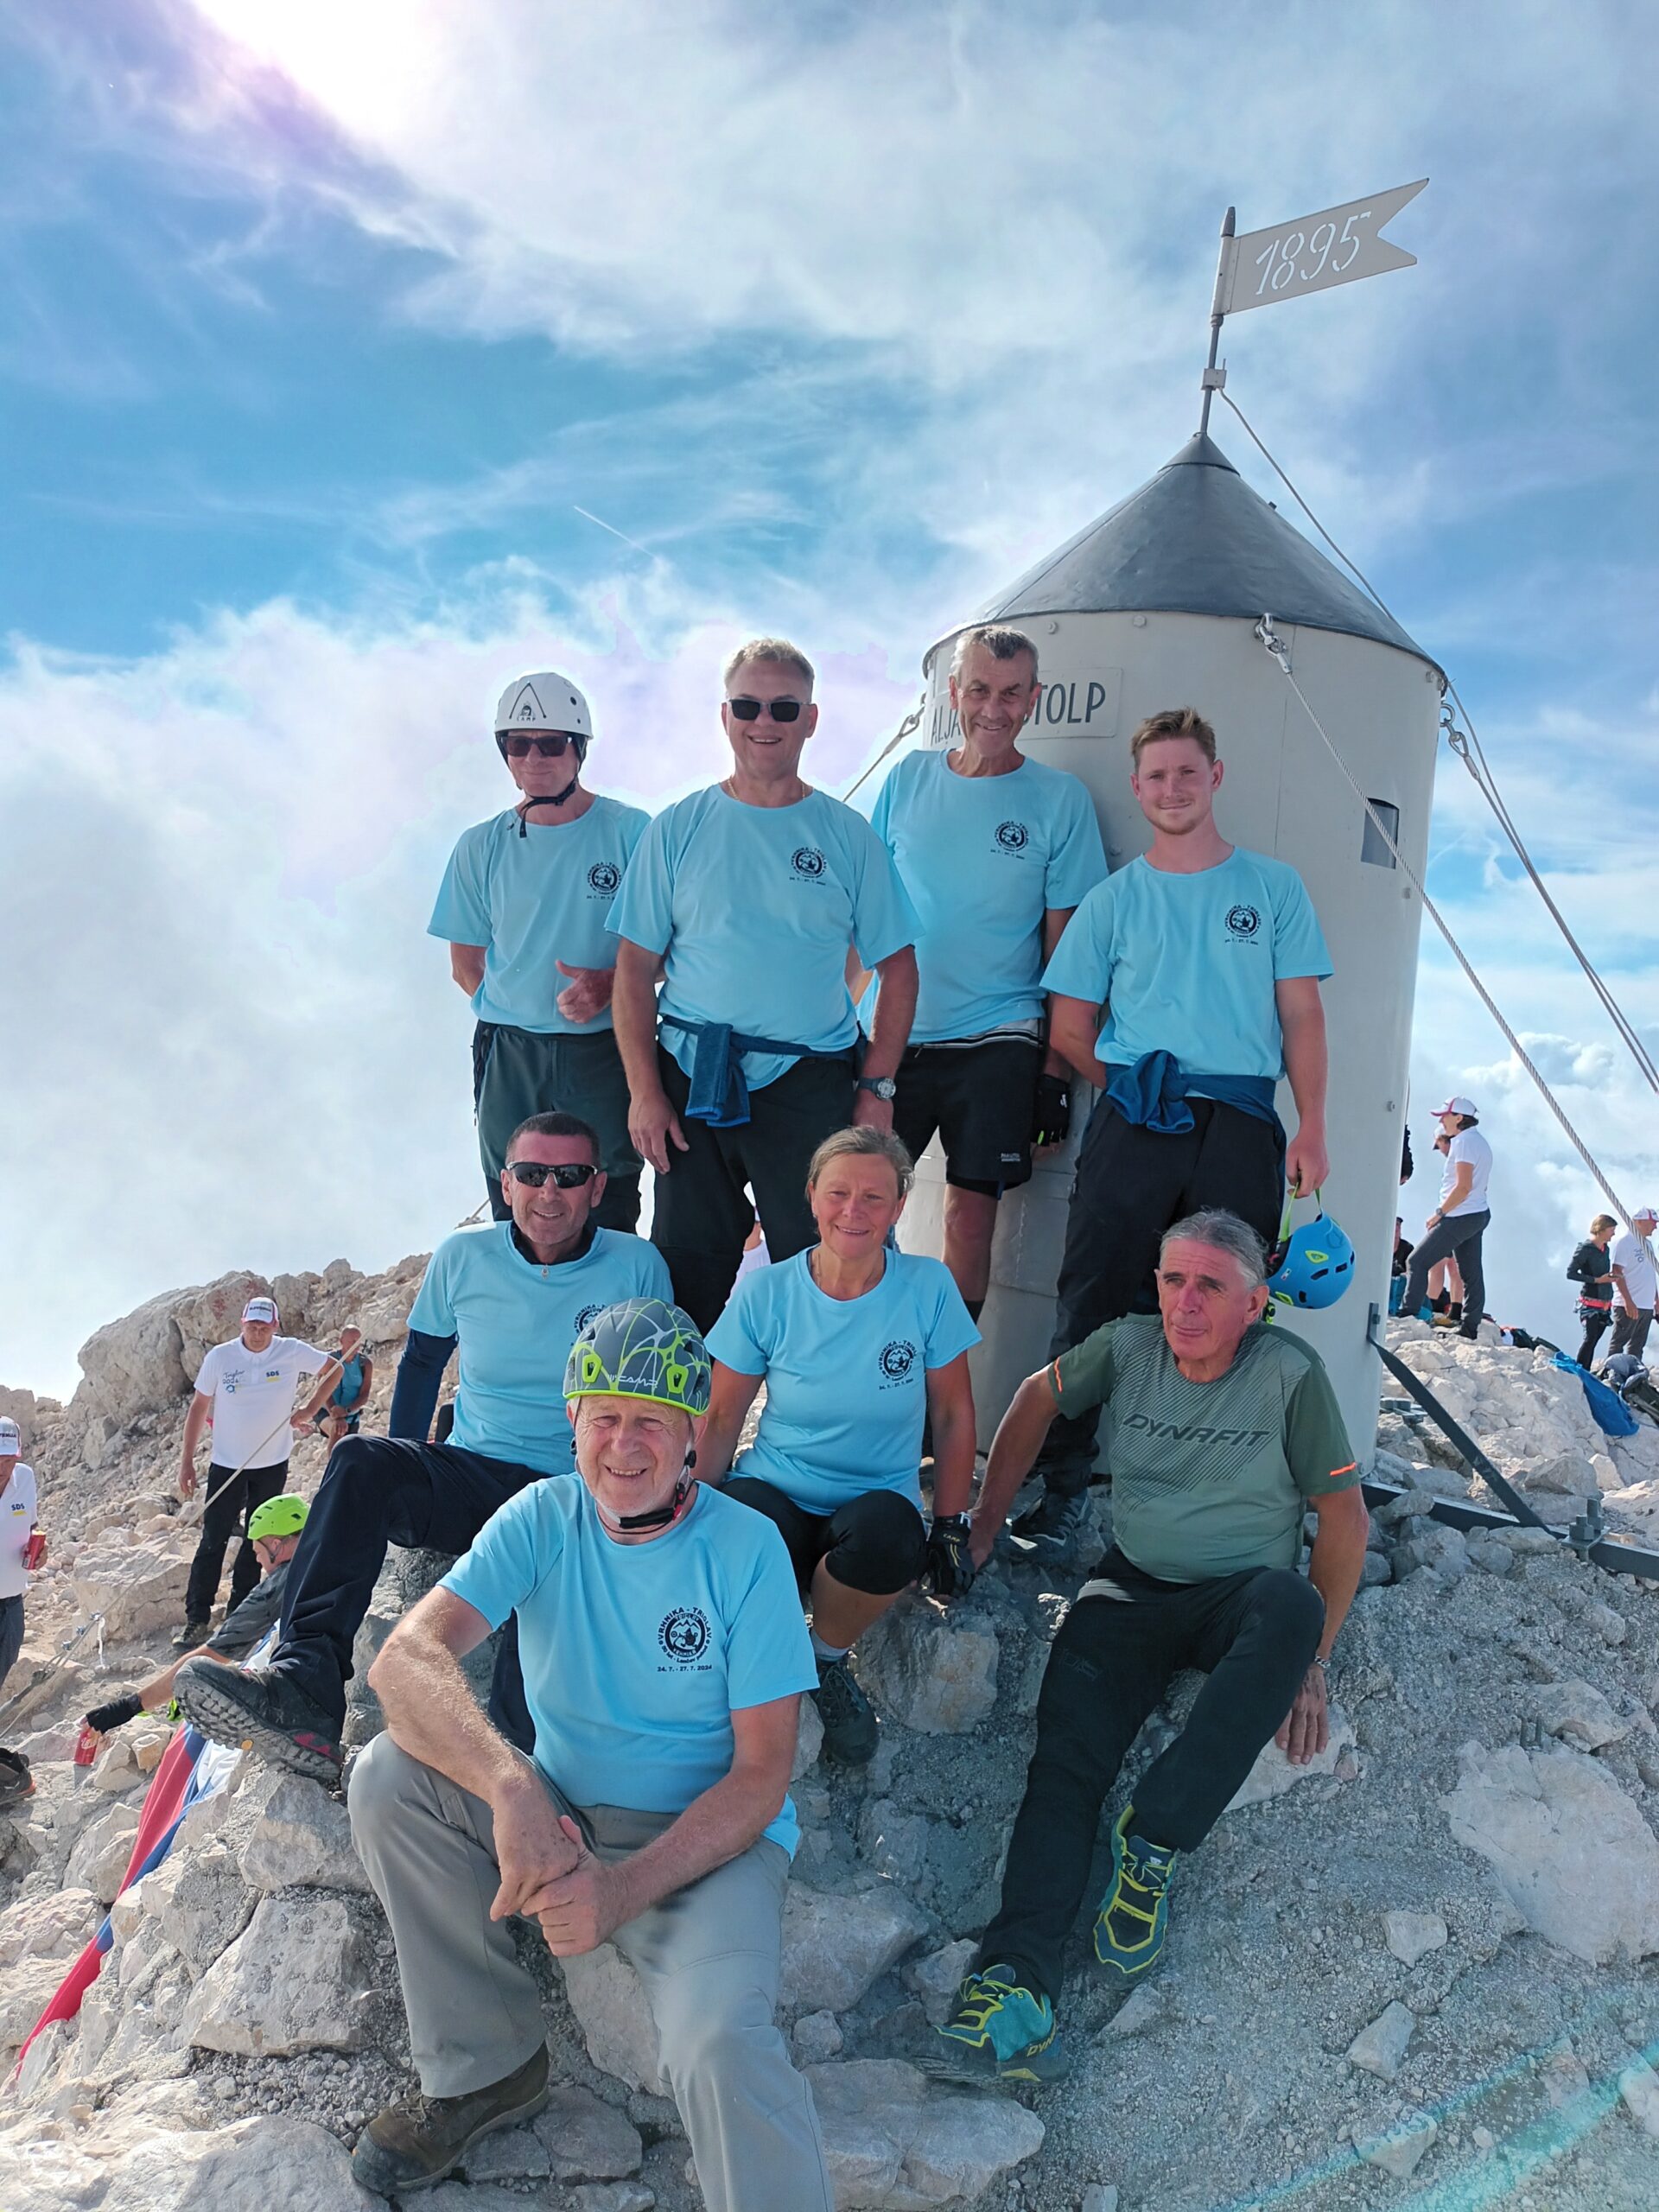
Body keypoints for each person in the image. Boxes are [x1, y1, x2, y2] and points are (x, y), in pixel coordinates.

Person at [345, 1298, 832, 2211]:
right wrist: (511, 1787)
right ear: (572, 1422)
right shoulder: (543, 1515)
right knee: (386, 1779)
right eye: (604, 1416)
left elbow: (762, 1775)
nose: (624, 1444)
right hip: (559, 1805)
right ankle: (488, 2067)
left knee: (721, 2047)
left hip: (701, 1844)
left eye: (652, 1419)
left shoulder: (746, 1548)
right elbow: (406, 1660)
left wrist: (620, 1890)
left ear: (693, 1434)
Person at [928, 1211, 1369, 2084]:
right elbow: (1034, 1398)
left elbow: (1344, 1520)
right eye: (1174, 1280)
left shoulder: (1289, 1372)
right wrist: (981, 1525)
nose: (1186, 1302)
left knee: (1289, 1607)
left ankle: (1154, 1837)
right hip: (1130, 1589)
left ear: (1254, 1303)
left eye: (1211, 1286)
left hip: (1241, 1594)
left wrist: (1313, 1659)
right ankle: (1014, 1985)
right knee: (1064, 1768)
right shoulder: (1126, 1348)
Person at [175, 1114, 671, 1777]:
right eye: (531, 1174)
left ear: (597, 1187)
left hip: (573, 1486)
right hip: (472, 1471)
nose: (549, 1192)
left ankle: (525, 1779)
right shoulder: (463, 1257)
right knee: (359, 1461)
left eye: (569, 1175)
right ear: (506, 1184)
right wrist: (403, 1468)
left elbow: (660, 1399)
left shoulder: (636, 1267)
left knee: (535, 1652)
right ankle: (304, 1692)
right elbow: (422, 1363)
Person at [1010, 705, 1332, 1560]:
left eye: (1188, 771)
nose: (1173, 787)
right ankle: (1064, 1489)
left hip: (1242, 1123)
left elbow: (1302, 1014)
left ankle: (1218, 1494)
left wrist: (1313, 1126)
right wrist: (1128, 1087)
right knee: (1095, 1297)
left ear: (1215, 776)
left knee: (1229, 1307)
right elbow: (1069, 1023)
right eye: (1157, 775)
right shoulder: (1114, 901)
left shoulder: (1273, 888)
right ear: (1137, 787)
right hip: (1135, 1120)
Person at [610, 637, 919, 1331]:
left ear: (811, 719)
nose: (765, 721)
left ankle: (822, 1400)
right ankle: (681, 1406)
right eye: (748, 705)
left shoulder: (847, 835)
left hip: (809, 1085)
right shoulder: (678, 828)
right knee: (686, 1276)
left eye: (784, 707)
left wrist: (877, 1090)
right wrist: (645, 1093)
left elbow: (899, 967)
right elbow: (632, 968)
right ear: (725, 716)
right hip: (692, 1079)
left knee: (828, 1270)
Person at [699, 1128, 980, 1764]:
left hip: (872, 1501)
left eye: (875, 1197)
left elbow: (954, 1414)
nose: (854, 1210)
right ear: (812, 1196)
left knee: (892, 1538)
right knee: (736, 1528)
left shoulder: (927, 1287)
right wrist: (686, 1506)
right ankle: (756, 1667)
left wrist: (951, 1524)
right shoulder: (767, 1292)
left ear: (900, 1206)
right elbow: (720, 1418)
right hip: (776, 1488)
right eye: (838, 1193)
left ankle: (823, 1661)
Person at [864, 626, 1106, 1317]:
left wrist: (1054, 1077)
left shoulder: (1060, 800)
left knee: (968, 1221)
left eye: (1010, 694)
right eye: (978, 691)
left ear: (1034, 698)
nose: (993, 710)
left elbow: (1067, 955)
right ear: (953, 693)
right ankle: (870, 1352)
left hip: (999, 1037)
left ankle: (945, 1369)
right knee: (863, 1207)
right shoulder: (907, 779)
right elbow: (865, 918)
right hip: (895, 1034)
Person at [431, 671, 650, 1230]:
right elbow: (464, 964)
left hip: (605, 1049)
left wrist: (611, 985)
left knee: (607, 1199)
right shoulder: (480, 846)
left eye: (551, 743)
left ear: (578, 749)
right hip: (510, 1053)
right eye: (518, 744)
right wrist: (522, 1008)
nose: (533, 757)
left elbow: (677, 946)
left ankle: (607, 1293)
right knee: (515, 1201)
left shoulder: (634, 833)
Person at [173, 1300, 357, 1651]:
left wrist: (310, 1408)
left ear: (274, 1326)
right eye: (251, 1327)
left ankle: (239, 1614)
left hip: (271, 1462)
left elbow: (335, 1369)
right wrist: (187, 1460)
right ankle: (196, 1618)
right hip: (227, 1463)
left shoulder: (290, 1351)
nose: (257, 1334)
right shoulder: (221, 1357)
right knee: (213, 1538)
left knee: (256, 1540)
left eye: (264, 1328)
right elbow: (199, 1407)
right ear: (242, 1325)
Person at [84, 1496, 309, 1738]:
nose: (257, 1560)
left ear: (275, 1545)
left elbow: (210, 1655)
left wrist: (127, 1707)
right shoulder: (329, 1544)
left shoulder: (277, 1587)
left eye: (258, 1552)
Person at [1400, 1098, 1492, 1340]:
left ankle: (1408, 1314)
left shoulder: (1463, 1142)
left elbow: (1463, 1187)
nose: (1442, 1120)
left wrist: (1439, 1213)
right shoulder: (1479, 1141)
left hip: (1459, 1215)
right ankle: (1469, 1327)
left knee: (1417, 1261)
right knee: (1471, 1273)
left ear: (1459, 1118)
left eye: (1445, 1115)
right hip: (1477, 1213)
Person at [1, 1415, 45, 1809]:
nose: (3, 1467)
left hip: (12, 1601)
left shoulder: (25, 1479)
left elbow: (30, 1528)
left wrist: (38, 1552)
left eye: (8, 1459)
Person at [299, 1338, 375, 1447]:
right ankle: (332, 1458)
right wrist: (336, 1414)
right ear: (342, 1341)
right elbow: (324, 1389)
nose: (355, 1345)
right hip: (326, 1410)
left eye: (357, 1342)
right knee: (337, 1431)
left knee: (348, 1448)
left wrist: (347, 1411)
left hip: (351, 1416)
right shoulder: (330, 1360)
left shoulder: (365, 1364)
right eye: (351, 1341)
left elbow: (364, 1395)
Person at [1567, 1214, 1618, 1370]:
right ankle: (1580, 1370)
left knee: (1594, 1339)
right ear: (1601, 1230)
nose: (1613, 1234)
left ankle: (1586, 1370)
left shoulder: (1605, 1249)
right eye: (1611, 1230)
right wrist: (1597, 1280)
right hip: (1590, 1302)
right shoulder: (1585, 1249)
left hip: (1605, 1302)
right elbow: (1571, 1273)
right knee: (1589, 1338)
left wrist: (1610, 1277)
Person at [1610, 1205, 1659, 1363]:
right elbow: (1617, 1272)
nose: (1655, 1227)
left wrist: (1656, 1299)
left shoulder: (1648, 1244)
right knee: (1619, 1342)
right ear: (1639, 1222)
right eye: (1652, 1223)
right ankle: (1611, 1370)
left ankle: (1633, 1372)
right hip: (1629, 1303)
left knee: (1637, 1345)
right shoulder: (1624, 1242)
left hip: (1646, 1305)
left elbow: (1650, 1274)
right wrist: (1628, 1301)